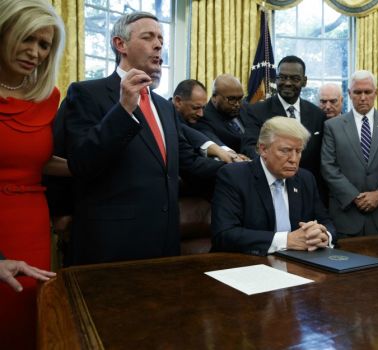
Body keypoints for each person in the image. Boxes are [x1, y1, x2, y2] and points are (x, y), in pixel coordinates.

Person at [62, 12, 222, 265]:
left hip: (166, 243)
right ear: (120, 44)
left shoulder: (165, 107)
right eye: (148, 37)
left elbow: (187, 162)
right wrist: (123, 109)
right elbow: (81, 162)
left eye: (160, 38)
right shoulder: (86, 94)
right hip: (111, 245)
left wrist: (248, 170)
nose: (158, 45)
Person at [0, 0, 68, 347]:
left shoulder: (48, 97)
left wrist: (88, 168)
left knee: (26, 320)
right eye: (27, 38)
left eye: (44, 45)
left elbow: (33, 159)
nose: (35, 52)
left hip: (31, 224)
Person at [212, 117, 335, 255]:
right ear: (263, 149)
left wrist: (323, 236)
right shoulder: (234, 176)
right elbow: (224, 235)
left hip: (298, 263)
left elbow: (326, 222)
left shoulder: (305, 179)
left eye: (298, 151)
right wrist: (286, 240)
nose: (294, 159)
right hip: (247, 265)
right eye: (285, 150)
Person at [321, 70, 378, 238]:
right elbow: (328, 167)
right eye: (357, 92)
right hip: (346, 216)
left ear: (376, 93)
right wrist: (354, 197)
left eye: (367, 92)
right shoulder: (333, 126)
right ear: (349, 94)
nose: (363, 97)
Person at [241, 55, 326, 185]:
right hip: (270, 183)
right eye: (282, 77)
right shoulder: (257, 111)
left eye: (295, 79)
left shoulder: (318, 114)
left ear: (304, 81)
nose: (287, 83)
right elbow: (250, 148)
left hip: (308, 188)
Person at [172, 79, 245, 163]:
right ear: (178, 101)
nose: (201, 114)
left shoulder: (194, 118)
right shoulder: (167, 118)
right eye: (196, 108)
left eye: (203, 107)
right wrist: (227, 161)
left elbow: (204, 134)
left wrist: (226, 152)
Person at [196, 74, 249, 154]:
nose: (237, 104)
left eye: (240, 98)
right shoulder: (204, 118)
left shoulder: (244, 107)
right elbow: (215, 145)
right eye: (231, 99)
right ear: (214, 97)